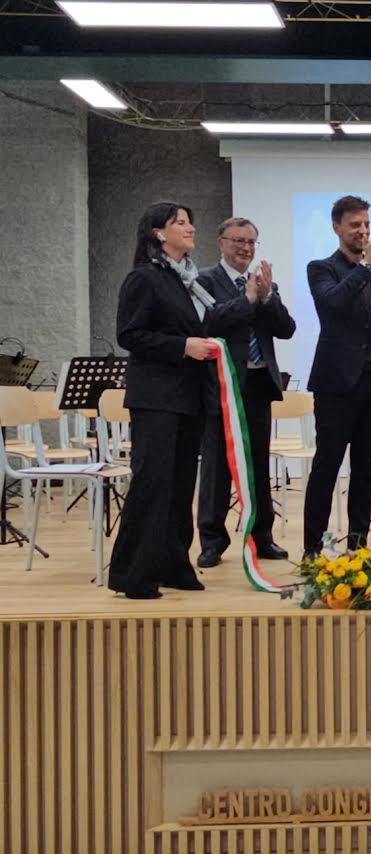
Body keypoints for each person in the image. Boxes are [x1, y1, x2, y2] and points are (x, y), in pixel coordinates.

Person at [109, 201, 225, 598]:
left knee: (179, 486)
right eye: (180, 223)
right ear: (158, 232)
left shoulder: (186, 281)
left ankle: (174, 565)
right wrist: (183, 346)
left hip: (188, 397)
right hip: (157, 397)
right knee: (153, 483)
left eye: (190, 222)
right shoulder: (144, 278)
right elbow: (130, 334)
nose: (190, 228)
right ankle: (134, 574)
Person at [302, 196, 371, 556]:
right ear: (337, 228)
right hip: (336, 386)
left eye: (367, 224)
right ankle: (312, 549)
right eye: (355, 225)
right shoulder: (321, 268)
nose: (363, 231)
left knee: (365, 470)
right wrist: (366, 267)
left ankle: (358, 547)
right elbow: (333, 304)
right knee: (327, 467)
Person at [195, 217, 296, 568]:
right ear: (221, 242)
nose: (245, 248)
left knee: (258, 464)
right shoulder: (204, 281)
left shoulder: (264, 283)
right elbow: (208, 323)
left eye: (251, 242)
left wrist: (266, 297)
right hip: (221, 386)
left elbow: (286, 330)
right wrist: (248, 299)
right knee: (217, 466)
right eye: (238, 240)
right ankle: (212, 541)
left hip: (258, 384)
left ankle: (261, 536)